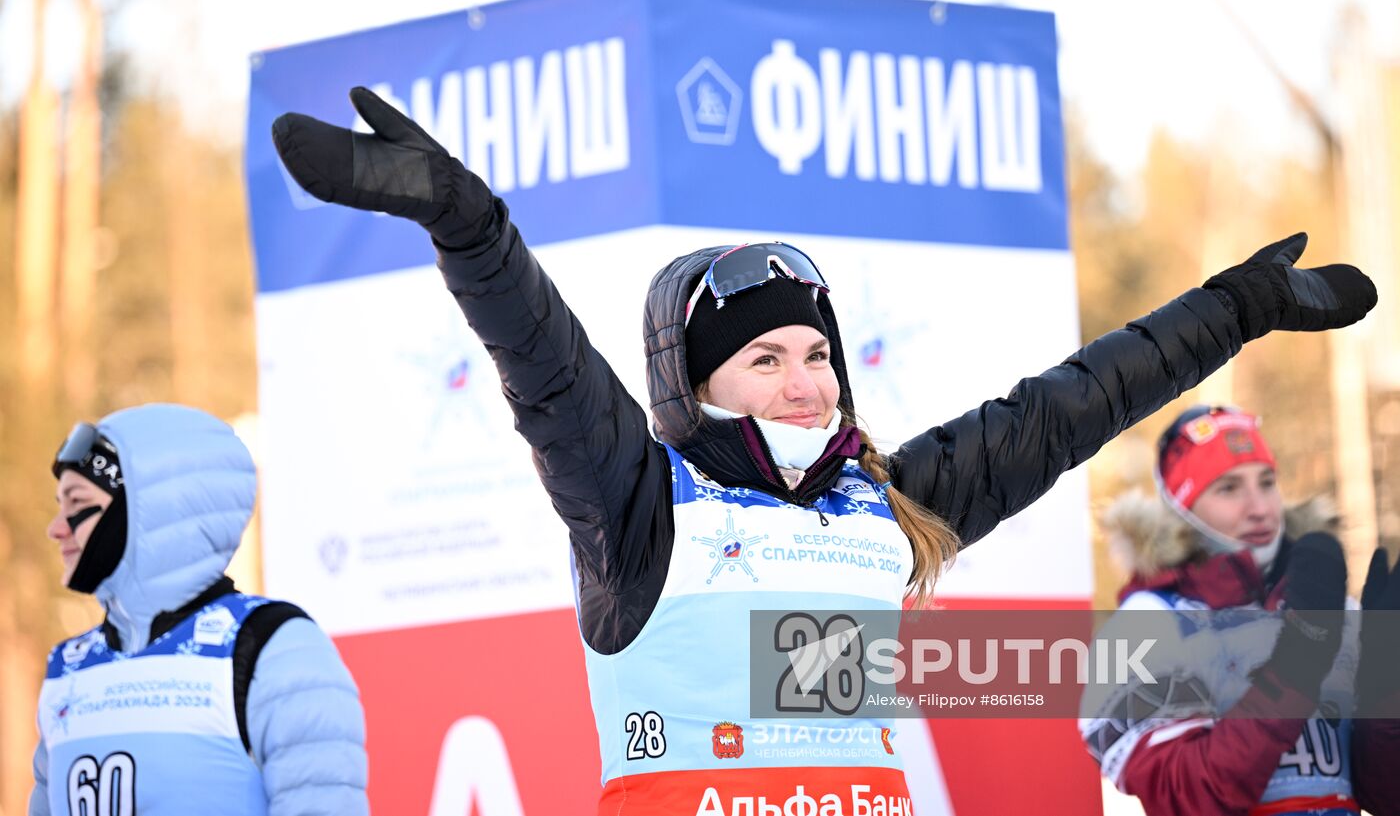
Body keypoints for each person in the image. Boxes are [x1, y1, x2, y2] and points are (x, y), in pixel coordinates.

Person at [270, 87, 1377, 815]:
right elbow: (547, 365)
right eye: (763, 359)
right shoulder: (640, 508)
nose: (804, 381)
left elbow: (1072, 404)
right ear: (693, 385)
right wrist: (470, 226)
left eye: (817, 354)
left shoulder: (883, 508)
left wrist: (1236, 306)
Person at [32, 403, 370, 816]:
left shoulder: (275, 648)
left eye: (76, 502)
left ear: (148, 509)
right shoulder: (69, 669)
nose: (56, 528)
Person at [1082, 405, 1400, 816]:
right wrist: (1295, 666)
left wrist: (1384, 687)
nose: (1259, 508)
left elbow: (1386, 796)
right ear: (1183, 509)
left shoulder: (1331, 607)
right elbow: (1189, 795)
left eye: (1267, 482)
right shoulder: (1146, 621)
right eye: (1228, 488)